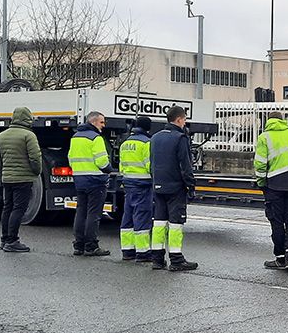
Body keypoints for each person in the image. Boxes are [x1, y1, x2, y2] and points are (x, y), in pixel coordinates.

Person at [256, 111, 288, 272]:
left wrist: (261, 183)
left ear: (269, 121)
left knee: (276, 221)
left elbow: (260, 164)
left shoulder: (264, 137)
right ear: (282, 120)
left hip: (274, 184)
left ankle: (279, 258)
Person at [150, 105, 198, 272]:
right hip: (175, 187)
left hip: (158, 186)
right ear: (179, 119)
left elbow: (152, 163)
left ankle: (157, 258)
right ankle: (176, 259)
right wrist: (191, 186)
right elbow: (186, 165)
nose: (185, 123)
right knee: (176, 223)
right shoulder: (180, 138)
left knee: (159, 222)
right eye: (184, 120)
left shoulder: (155, 138)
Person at [0, 106, 42, 253]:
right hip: (23, 177)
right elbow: (35, 158)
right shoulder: (28, 135)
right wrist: (36, 171)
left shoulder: (2, 135)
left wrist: (4, 168)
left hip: (7, 178)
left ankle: (4, 239)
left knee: (8, 208)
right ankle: (12, 240)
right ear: (27, 118)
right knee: (19, 209)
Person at [69, 110, 113, 257]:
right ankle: (91, 246)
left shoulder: (75, 137)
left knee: (81, 211)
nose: (103, 125)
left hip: (79, 179)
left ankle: (78, 245)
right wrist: (108, 169)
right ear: (93, 122)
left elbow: (70, 157)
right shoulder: (96, 138)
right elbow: (101, 160)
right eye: (101, 122)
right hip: (96, 180)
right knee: (94, 213)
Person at [118, 116, 154, 262]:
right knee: (142, 217)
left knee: (128, 217)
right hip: (143, 184)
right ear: (148, 128)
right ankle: (142, 252)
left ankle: (127, 251)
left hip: (128, 183)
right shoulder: (146, 143)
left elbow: (121, 165)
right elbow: (150, 165)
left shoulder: (125, 143)